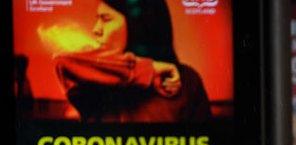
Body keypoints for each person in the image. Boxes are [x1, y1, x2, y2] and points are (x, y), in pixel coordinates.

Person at [54, 0, 211, 122]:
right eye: (97, 19)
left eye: (105, 19)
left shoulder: (187, 81)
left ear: (138, 24)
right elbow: (62, 60)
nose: (96, 29)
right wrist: (150, 69)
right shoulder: (94, 79)